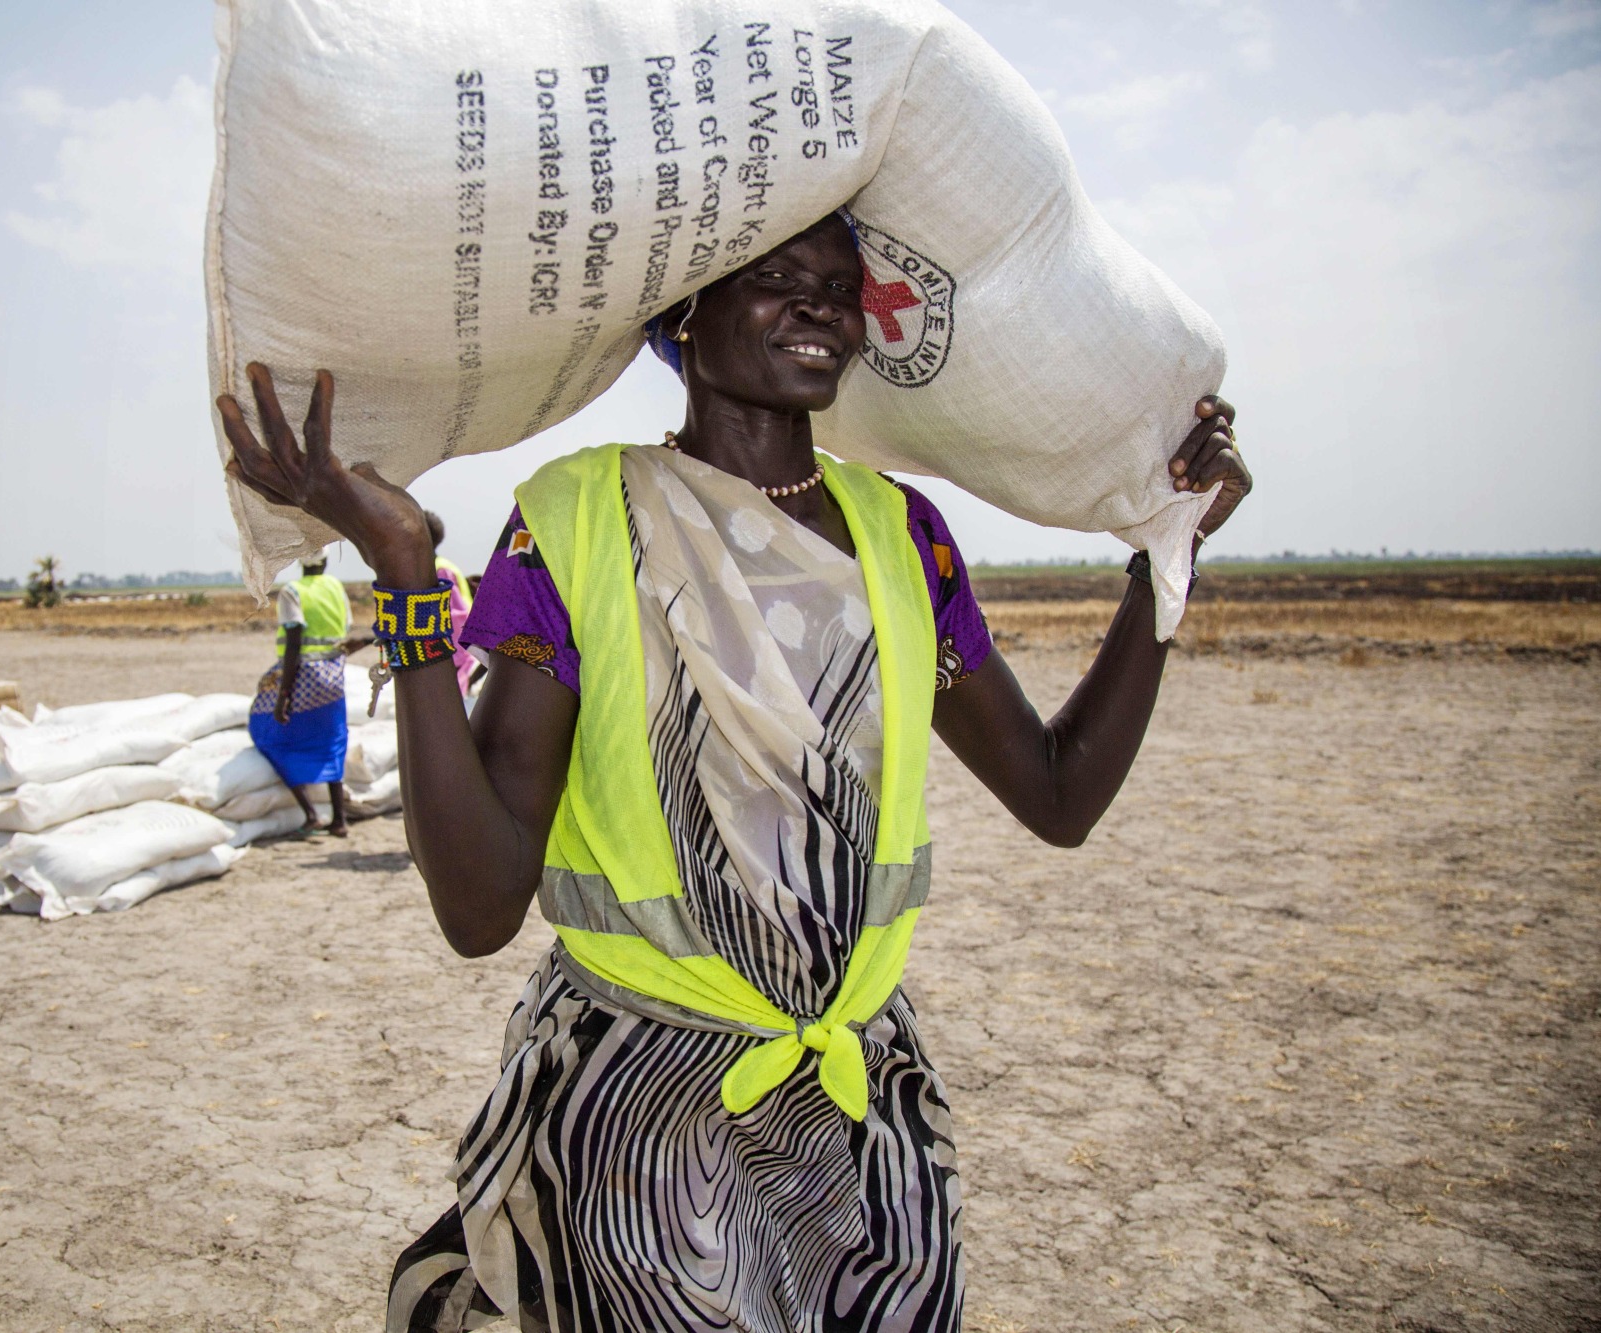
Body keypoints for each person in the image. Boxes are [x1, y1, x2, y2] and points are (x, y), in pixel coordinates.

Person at [218, 211, 1250, 1332]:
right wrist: (407, 577)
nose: (816, 304)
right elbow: (476, 906)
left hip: (861, 1118)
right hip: (642, 1127)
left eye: (834, 286)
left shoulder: (906, 537)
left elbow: (1058, 796)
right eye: (770, 278)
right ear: (681, 315)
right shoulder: (574, 521)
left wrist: (1166, 558)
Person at [248, 552, 352, 838]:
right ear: (326, 562)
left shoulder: (292, 592)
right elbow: (345, 629)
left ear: (300, 562)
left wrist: (284, 695)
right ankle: (339, 818)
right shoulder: (336, 587)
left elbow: (294, 641)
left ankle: (310, 813)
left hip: (302, 677)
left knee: (268, 734)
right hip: (334, 675)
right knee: (332, 740)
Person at [423, 511, 478, 694]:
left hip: (453, 656)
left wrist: (451, 659)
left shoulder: (440, 571)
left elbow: (456, 617)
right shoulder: (436, 567)